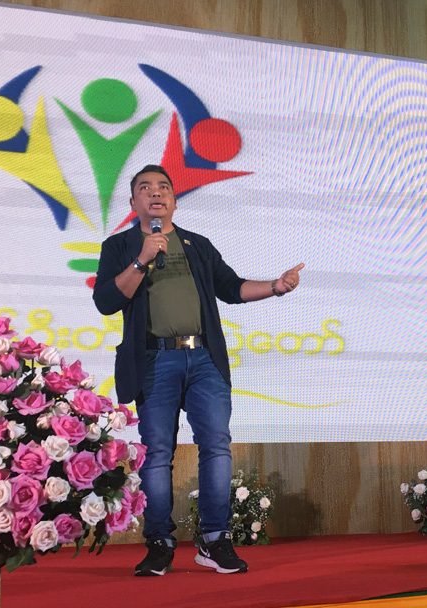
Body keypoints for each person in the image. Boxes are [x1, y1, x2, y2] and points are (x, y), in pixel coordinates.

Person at [93, 164, 303, 576]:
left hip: (204, 358)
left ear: (174, 200)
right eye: (145, 188)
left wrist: (276, 287)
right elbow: (106, 301)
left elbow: (232, 288)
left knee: (217, 446)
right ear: (133, 201)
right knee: (157, 453)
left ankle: (214, 539)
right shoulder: (120, 246)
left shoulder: (197, 244)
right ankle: (159, 543)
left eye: (164, 187)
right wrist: (142, 259)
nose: (156, 193)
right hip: (154, 360)